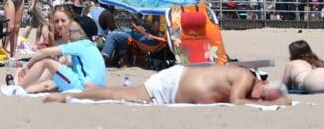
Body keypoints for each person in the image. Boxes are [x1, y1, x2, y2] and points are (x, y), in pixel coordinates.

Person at [43, 63, 290, 106]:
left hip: (175, 87)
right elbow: (237, 102)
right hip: (172, 85)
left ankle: (84, 92)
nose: (259, 99)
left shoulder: (249, 83)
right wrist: (276, 102)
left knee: (120, 93)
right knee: (119, 96)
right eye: (264, 96)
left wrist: (277, 99)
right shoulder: (246, 77)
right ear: (263, 82)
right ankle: (69, 96)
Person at [16, 35, 107, 95]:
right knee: (49, 84)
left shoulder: (79, 44)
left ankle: (18, 88)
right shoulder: (91, 46)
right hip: (97, 87)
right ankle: (25, 87)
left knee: (46, 62)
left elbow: (44, 52)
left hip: (83, 86)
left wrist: (27, 66)